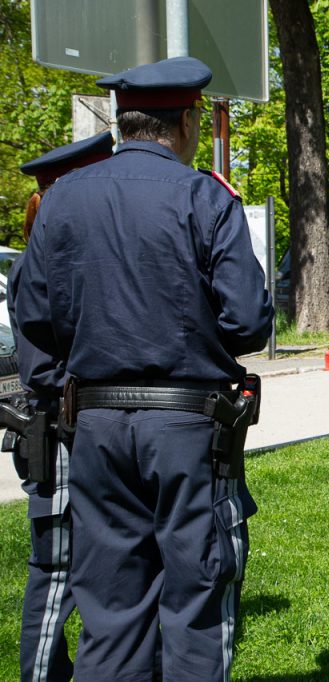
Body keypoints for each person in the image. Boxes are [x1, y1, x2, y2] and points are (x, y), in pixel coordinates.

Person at [15, 56, 274, 681]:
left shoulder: (62, 200)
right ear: (186, 121)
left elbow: (32, 318)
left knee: (112, 610)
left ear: (122, 123)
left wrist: (68, 391)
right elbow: (248, 322)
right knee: (197, 600)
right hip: (187, 429)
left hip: (95, 429)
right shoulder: (204, 196)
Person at [7, 131, 114, 682]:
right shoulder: (37, 265)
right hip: (58, 429)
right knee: (56, 573)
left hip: (76, 427)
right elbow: (44, 368)